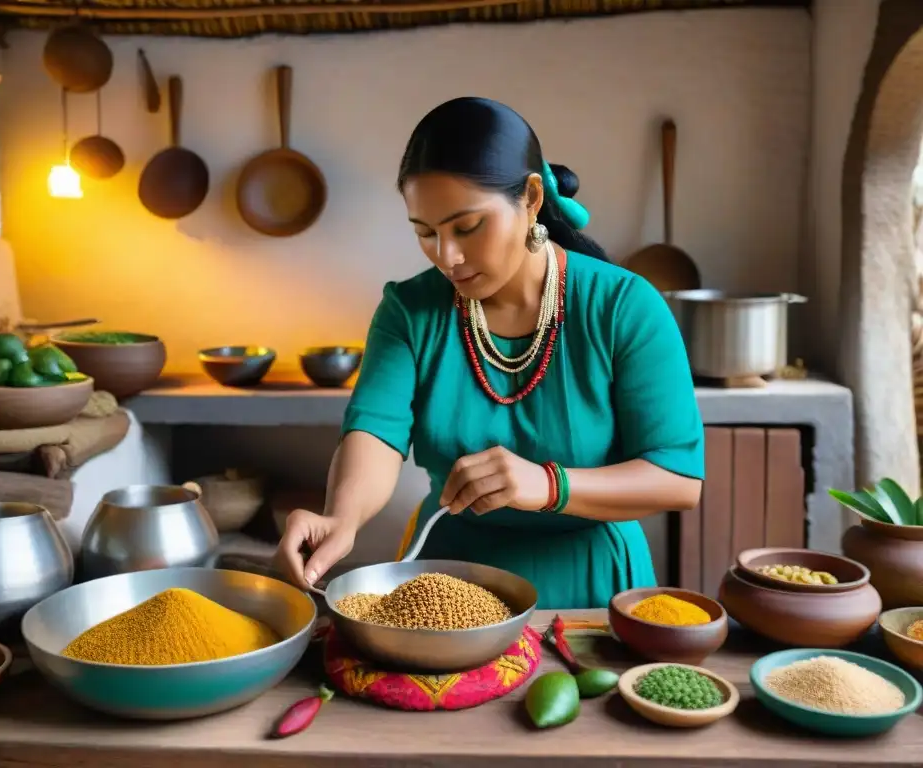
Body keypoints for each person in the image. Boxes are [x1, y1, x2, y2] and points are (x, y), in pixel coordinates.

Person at [276, 97, 704, 609]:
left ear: (530, 197)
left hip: (592, 588)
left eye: (467, 227)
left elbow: (677, 478)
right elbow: (375, 431)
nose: (447, 257)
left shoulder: (624, 306)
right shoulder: (408, 310)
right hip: (448, 583)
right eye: (425, 233)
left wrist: (547, 485)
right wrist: (341, 517)